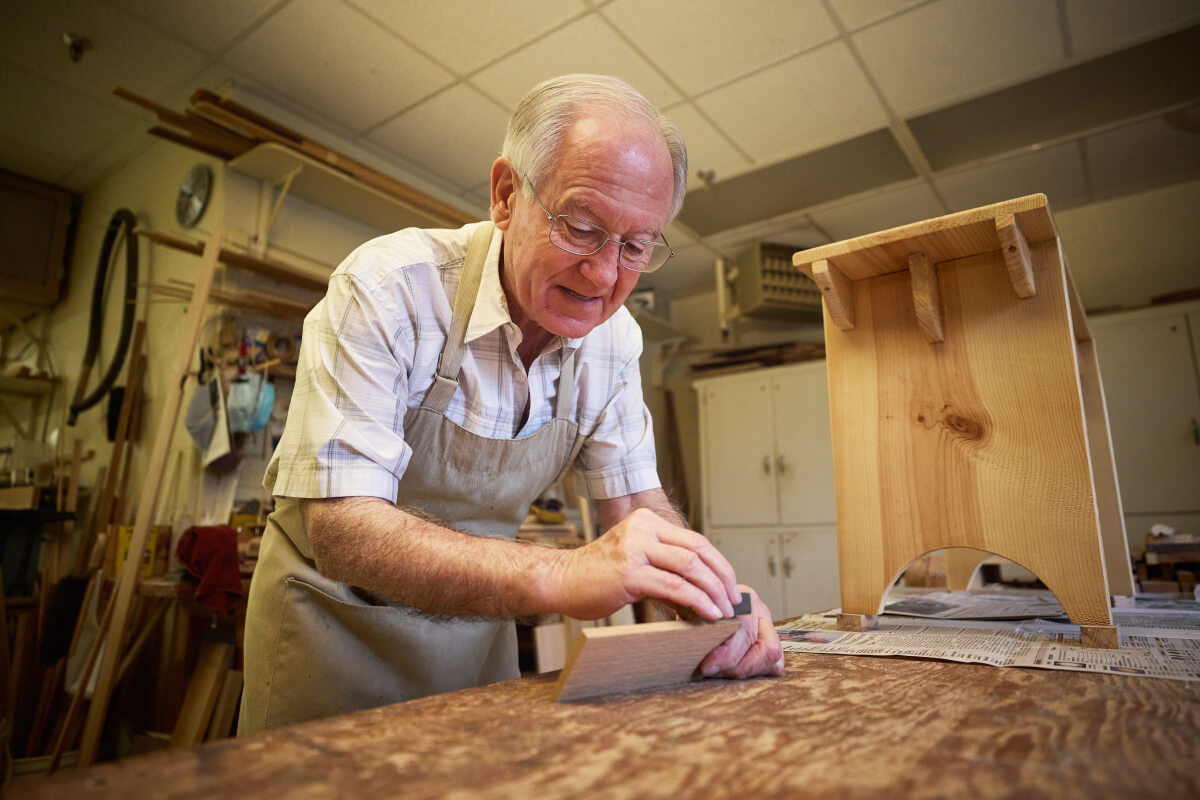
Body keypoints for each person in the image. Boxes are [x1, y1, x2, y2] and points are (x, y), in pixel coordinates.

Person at [239, 74, 784, 735]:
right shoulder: (389, 289)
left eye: (637, 246)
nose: (606, 276)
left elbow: (638, 507)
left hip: (473, 642)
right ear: (506, 196)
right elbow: (344, 532)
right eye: (582, 228)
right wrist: (563, 571)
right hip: (329, 639)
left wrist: (722, 604)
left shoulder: (615, 342)